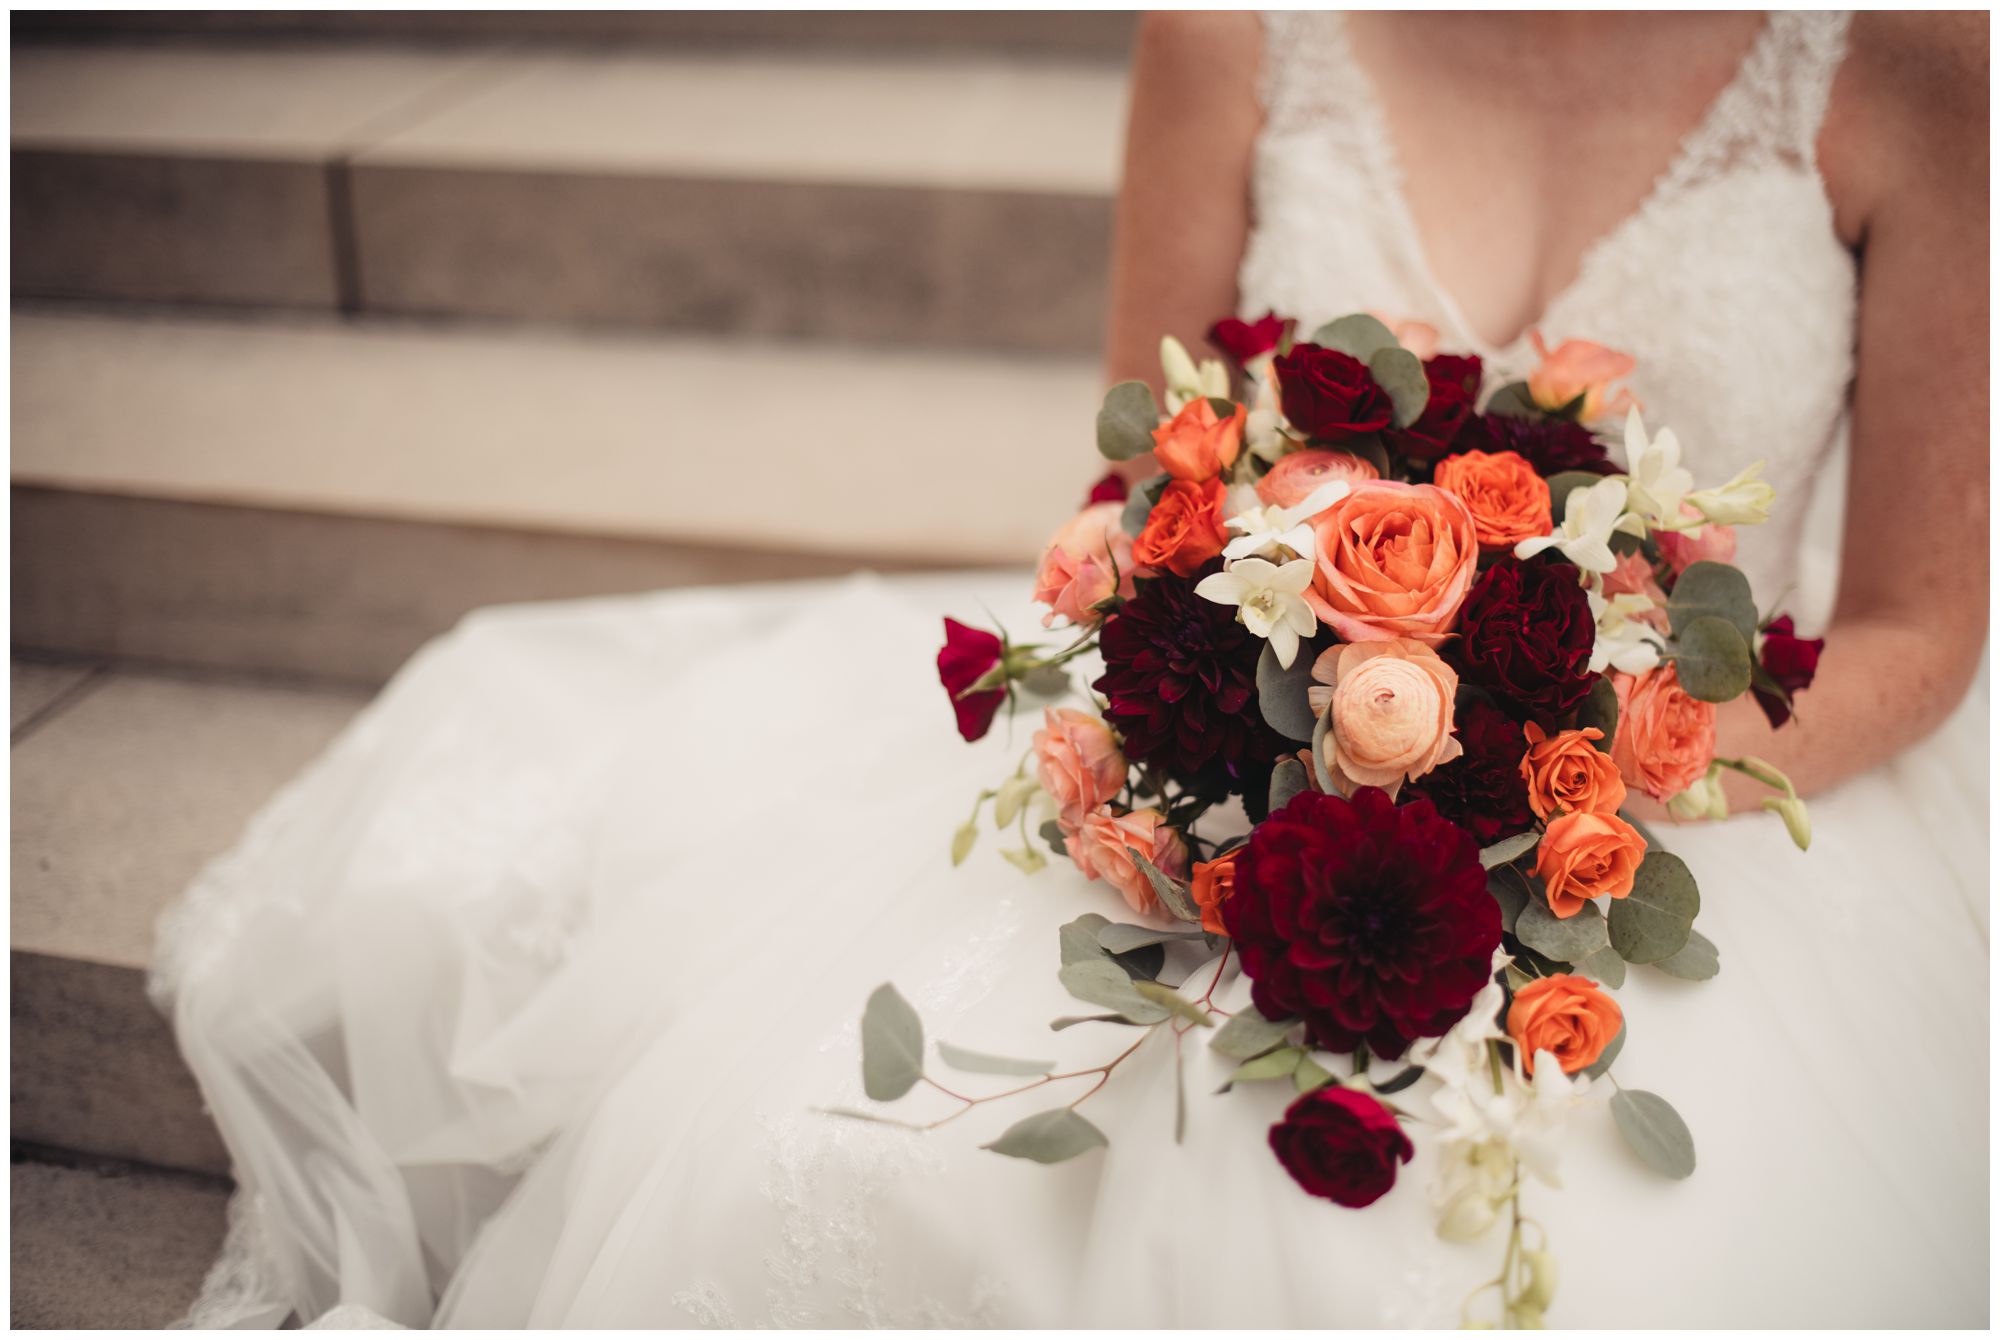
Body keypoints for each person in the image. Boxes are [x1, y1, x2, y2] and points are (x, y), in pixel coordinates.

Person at [156, 12, 1988, 1328]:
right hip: (1248, 747)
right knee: (898, 1143)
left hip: (1688, 796)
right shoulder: (1233, 32)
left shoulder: (1914, 70)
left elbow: (1919, 623)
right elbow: (1146, 482)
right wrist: (1261, 725)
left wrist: (1571, 763)